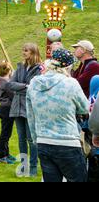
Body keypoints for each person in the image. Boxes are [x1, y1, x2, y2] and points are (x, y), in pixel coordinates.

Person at [27, 49, 89, 182]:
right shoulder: (70, 83)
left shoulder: (33, 84)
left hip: (43, 141)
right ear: (68, 66)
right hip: (68, 141)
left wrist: (35, 139)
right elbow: (84, 108)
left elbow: (30, 116)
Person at [7, 43, 42, 177]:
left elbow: (35, 86)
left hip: (30, 107)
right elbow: (11, 84)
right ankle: (23, 166)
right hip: (17, 106)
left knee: (31, 139)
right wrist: (26, 86)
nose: (23, 52)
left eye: (26, 50)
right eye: (23, 50)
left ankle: (33, 166)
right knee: (21, 139)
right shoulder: (20, 66)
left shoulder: (39, 68)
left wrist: (22, 87)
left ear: (33, 53)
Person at [0, 60, 16, 164]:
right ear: (7, 69)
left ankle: (6, 153)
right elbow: (13, 94)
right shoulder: (5, 83)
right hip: (6, 109)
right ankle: (2, 155)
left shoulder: (5, 80)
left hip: (6, 109)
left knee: (7, 133)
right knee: (5, 133)